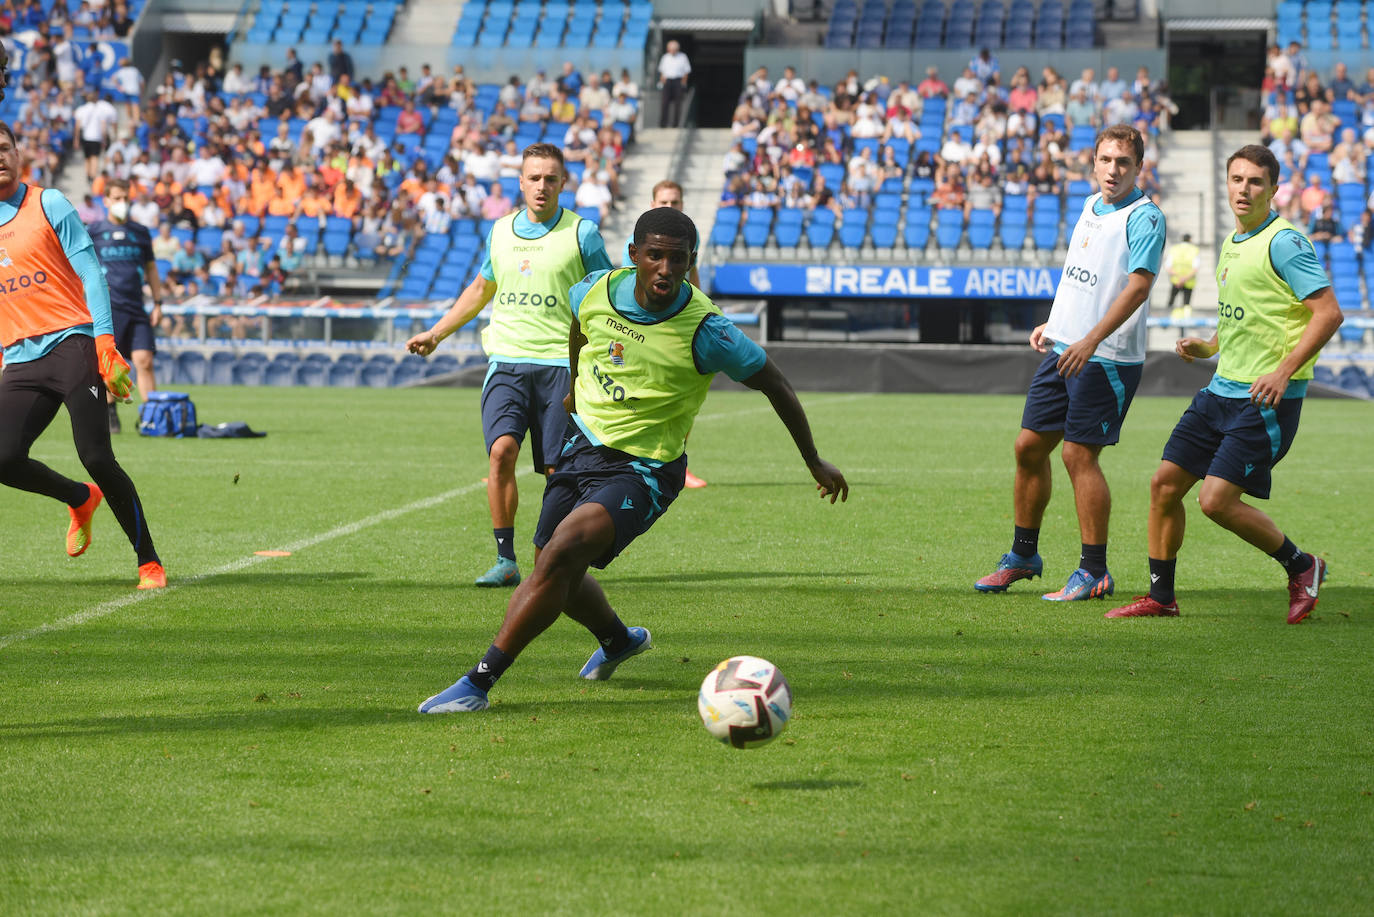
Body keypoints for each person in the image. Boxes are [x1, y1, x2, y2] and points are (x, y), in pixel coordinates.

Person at [417, 207, 848, 713]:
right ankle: (619, 640)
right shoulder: (595, 290)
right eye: (655, 256)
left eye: (678, 260)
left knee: (560, 555)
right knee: (553, 568)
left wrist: (813, 459)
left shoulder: (707, 331)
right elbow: (579, 329)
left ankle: (478, 683)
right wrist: (576, 388)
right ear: (635, 256)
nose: (666, 268)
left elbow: (773, 381)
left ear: (692, 263)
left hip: (646, 468)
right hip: (583, 446)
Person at [1107, 145, 1343, 623]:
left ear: (1274, 189)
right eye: (1237, 179)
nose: (1244, 189)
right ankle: (1160, 597)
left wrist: (1282, 371)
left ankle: (1302, 566)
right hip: (1219, 391)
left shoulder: (1285, 242)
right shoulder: (1233, 243)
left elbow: (1328, 313)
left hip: (1264, 399)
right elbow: (1252, 315)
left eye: (1255, 181)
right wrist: (1211, 347)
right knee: (1164, 486)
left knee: (1215, 501)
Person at [406, 143, 614, 588]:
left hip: (562, 364)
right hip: (507, 360)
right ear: (520, 182)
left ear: (563, 183)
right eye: (534, 178)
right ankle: (506, 560)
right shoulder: (501, 231)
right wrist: (436, 332)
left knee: (559, 472)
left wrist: (610, 353)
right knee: (500, 452)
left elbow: (605, 296)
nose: (542, 186)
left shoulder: (583, 234)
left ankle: (555, 558)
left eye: (550, 178)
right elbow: (482, 287)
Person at [975, 124, 1166, 600]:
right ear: (1094, 162)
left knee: (1078, 454)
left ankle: (1093, 570)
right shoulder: (1089, 205)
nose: (1113, 170)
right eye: (1106, 160)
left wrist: (1089, 339)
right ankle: (1022, 556)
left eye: (1123, 162)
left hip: (1106, 356)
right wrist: (1055, 324)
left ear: (1138, 167)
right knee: (1027, 448)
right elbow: (1081, 277)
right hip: (1066, 347)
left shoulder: (1144, 218)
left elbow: (1138, 288)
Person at [0, 122, 165, 590]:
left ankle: (148, 561)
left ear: (17, 153)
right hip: (20, 358)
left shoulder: (48, 203)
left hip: (73, 343)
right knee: (3, 458)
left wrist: (105, 343)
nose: (0, 157)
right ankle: (79, 499)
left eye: (5, 148)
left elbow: (91, 271)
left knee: (96, 454)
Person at [619, 180, 707, 489]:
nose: (669, 207)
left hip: (675, 332)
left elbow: (694, 289)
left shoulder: (687, 245)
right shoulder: (637, 246)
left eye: (675, 202)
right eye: (663, 202)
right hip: (639, 334)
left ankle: (677, 462)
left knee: (681, 402)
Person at [86, 178, 164, 433]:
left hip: (137, 307)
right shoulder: (94, 231)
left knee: (145, 360)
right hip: (108, 309)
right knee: (111, 365)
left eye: (125, 198)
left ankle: (150, 417)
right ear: (106, 201)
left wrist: (158, 302)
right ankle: (109, 411)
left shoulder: (140, 232)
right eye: (116, 198)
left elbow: (151, 269)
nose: (122, 203)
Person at [1164, 232, 1199, 321]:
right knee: (1186, 303)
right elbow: (1195, 268)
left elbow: (1168, 266)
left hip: (1176, 281)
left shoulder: (1174, 249)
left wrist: (1179, 278)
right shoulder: (1194, 250)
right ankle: (1186, 321)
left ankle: (1167, 319)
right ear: (1190, 239)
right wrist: (1184, 279)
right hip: (1188, 281)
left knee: (1171, 300)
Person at [657, 39, 691, 128]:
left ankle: (676, 124)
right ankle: (663, 124)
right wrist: (662, 81)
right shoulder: (665, 57)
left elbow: (686, 72)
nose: (672, 51)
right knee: (665, 103)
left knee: (677, 104)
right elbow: (662, 72)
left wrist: (683, 83)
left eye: (674, 49)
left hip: (678, 81)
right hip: (667, 81)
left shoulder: (683, 57)